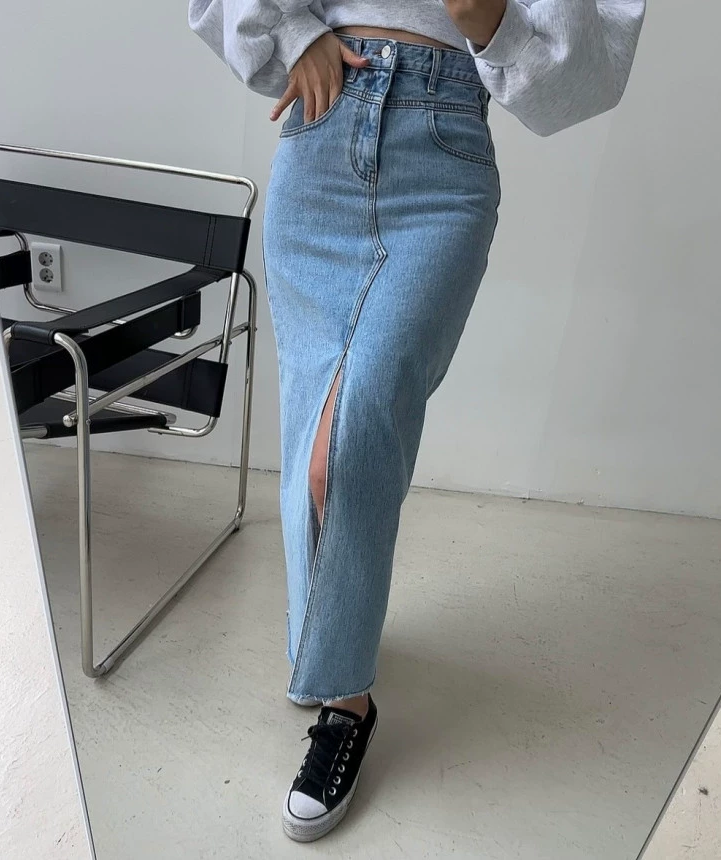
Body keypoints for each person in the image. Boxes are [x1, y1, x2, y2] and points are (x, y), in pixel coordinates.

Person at [189, 0, 645, 842]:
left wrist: (493, 22)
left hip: (444, 158)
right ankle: (341, 681)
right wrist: (295, 34)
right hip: (323, 136)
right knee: (317, 434)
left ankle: (340, 699)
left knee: (355, 432)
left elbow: (592, 67)